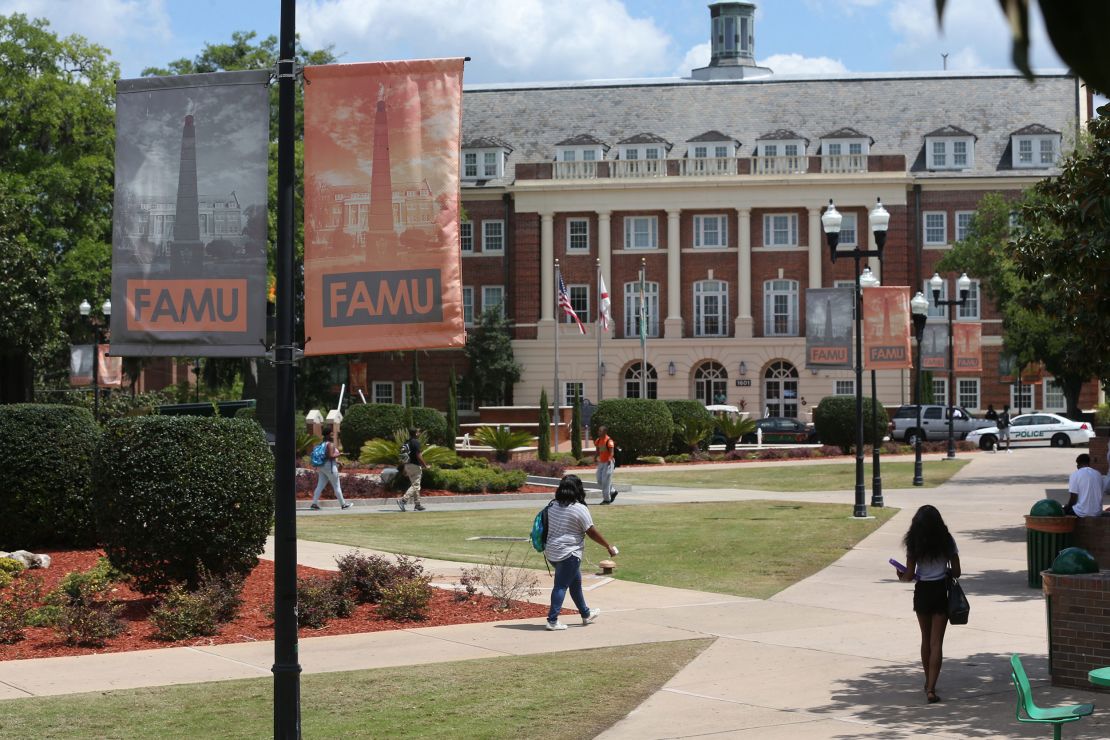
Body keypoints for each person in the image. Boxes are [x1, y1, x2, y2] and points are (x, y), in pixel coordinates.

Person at [894, 505, 961, 705]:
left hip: (922, 591)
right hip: (940, 590)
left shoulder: (914, 542)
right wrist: (946, 571)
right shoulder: (947, 540)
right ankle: (931, 688)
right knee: (936, 643)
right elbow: (956, 571)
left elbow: (908, 575)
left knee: (925, 639)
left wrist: (901, 575)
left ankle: (927, 682)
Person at [544, 474, 618, 631]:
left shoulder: (552, 505)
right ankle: (552, 620)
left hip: (551, 552)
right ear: (578, 489)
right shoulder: (579, 508)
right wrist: (608, 546)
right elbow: (591, 532)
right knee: (561, 586)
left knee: (575, 583)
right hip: (569, 554)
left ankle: (586, 614)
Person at [310, 429, 353, 510]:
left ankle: (314, 504)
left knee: (320, 485)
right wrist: (339, 454)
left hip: (322, 467)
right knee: (337, 486)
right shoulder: (330, 445)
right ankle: (343, 505)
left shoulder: (321, 444)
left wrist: (338, 462)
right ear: (328, 435)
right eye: (331, 434)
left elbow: (326, 457)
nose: (333, 436)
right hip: (330, 467)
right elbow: (330, 456)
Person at [396, 429, 428, 512]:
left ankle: (417, 505)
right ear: (416, 433)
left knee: (415, 485)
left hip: (407, 465)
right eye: (418, 432)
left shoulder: (407, 442)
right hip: (415, 466)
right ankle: (403, 501)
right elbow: (418, 455)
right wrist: (425, 465)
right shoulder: (415, 442)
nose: (419, 433)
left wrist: (404, 468)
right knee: (416, 485)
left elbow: (403, 455)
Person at [593, 425, 617, 504]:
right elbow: (597, 450)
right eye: (598, 430)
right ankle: (613, 491)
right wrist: (595, 457)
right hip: (601, 462)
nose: (598, 432)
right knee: (599, 480)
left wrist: (610, 458)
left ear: (604, 432)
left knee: (605, 481)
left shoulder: (609, 441)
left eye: (600, 431)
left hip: (608, 463)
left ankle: (606, 500)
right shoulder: (598, 440)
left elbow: (612, 452)